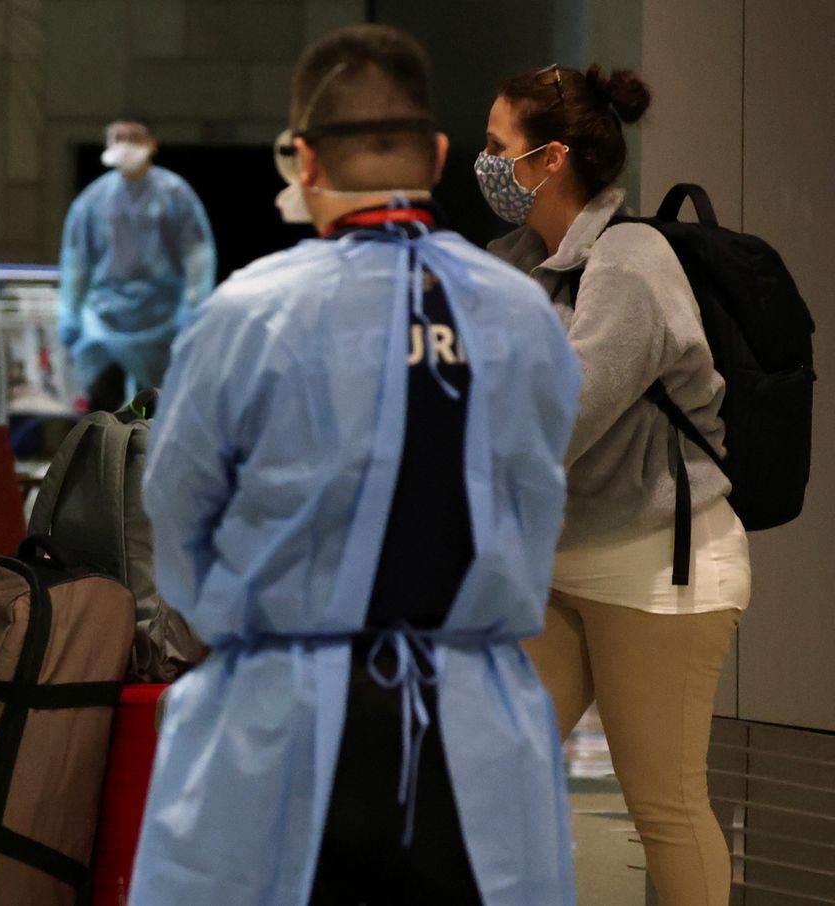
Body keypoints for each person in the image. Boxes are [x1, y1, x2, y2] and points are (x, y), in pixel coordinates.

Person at [129, 26, 581, 906]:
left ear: (303, 161)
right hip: (477, 723)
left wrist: (246, 626)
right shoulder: (521, 314)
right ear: (441, 153)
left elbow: (177, 518)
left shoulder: (249, 313)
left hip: (280, 722)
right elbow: (539, 496)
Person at [480, 65, 750, 906]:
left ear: (550, 158)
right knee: (492, 780)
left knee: (662, 804)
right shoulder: (520, 259)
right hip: (562, 567)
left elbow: (556, 422)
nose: (486, 165)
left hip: (659, 571)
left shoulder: (631, 265)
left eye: (498, 148)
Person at [57, 117, 216, 412]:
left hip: (161, 318)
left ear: (152, 144)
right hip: (106, 318)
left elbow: (198, 254)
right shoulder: (92, 200)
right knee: (102, 405)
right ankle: (101, 458)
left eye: (133, 137)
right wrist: (70, 311)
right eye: (118, 137)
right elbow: (76, 261)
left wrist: (193, 307)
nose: (125, 145)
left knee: (157, 406)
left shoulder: (175, 194)